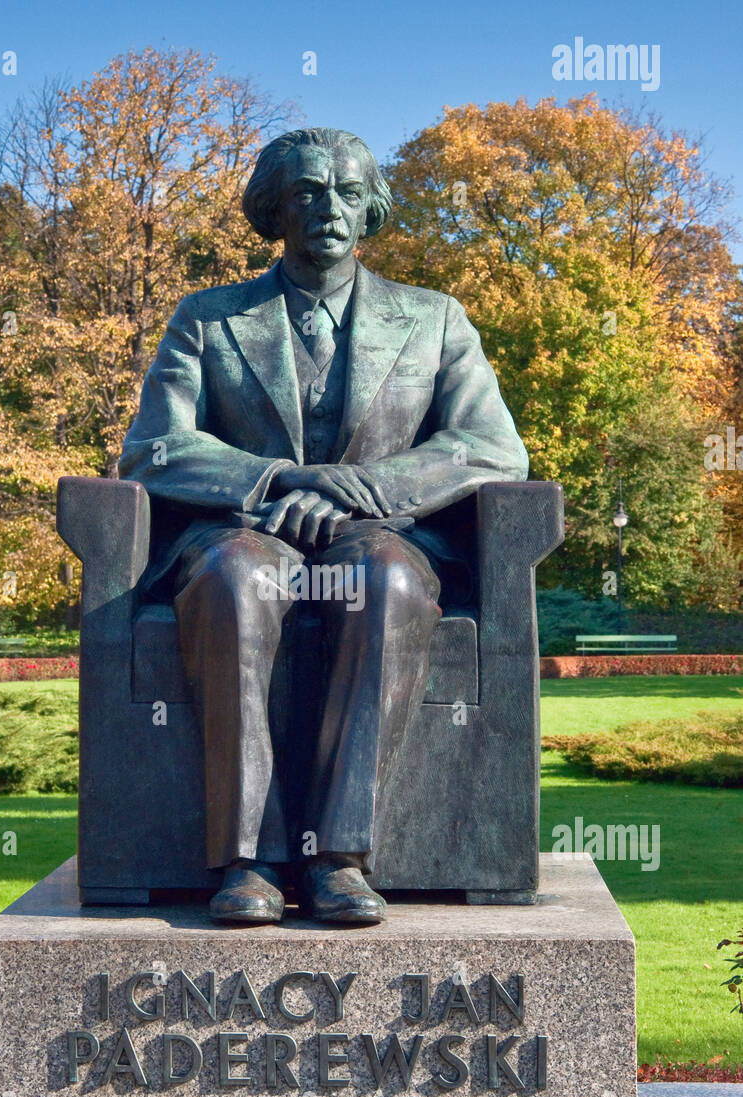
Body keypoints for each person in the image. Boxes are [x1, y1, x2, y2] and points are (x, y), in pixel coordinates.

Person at [119, 128, 528, 925]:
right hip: (244, 526)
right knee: (239, 581)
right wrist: (279, 479)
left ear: (371, 209)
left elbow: (489, 446)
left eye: (346, 192)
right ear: (274, 208)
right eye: (306, 191)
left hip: (379, 530)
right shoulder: (207, 318)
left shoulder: (434, 318)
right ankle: (251, 860)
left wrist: (363, 488)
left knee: (389, 580)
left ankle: (340, 857)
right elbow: (154, 448)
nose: (328, 208)